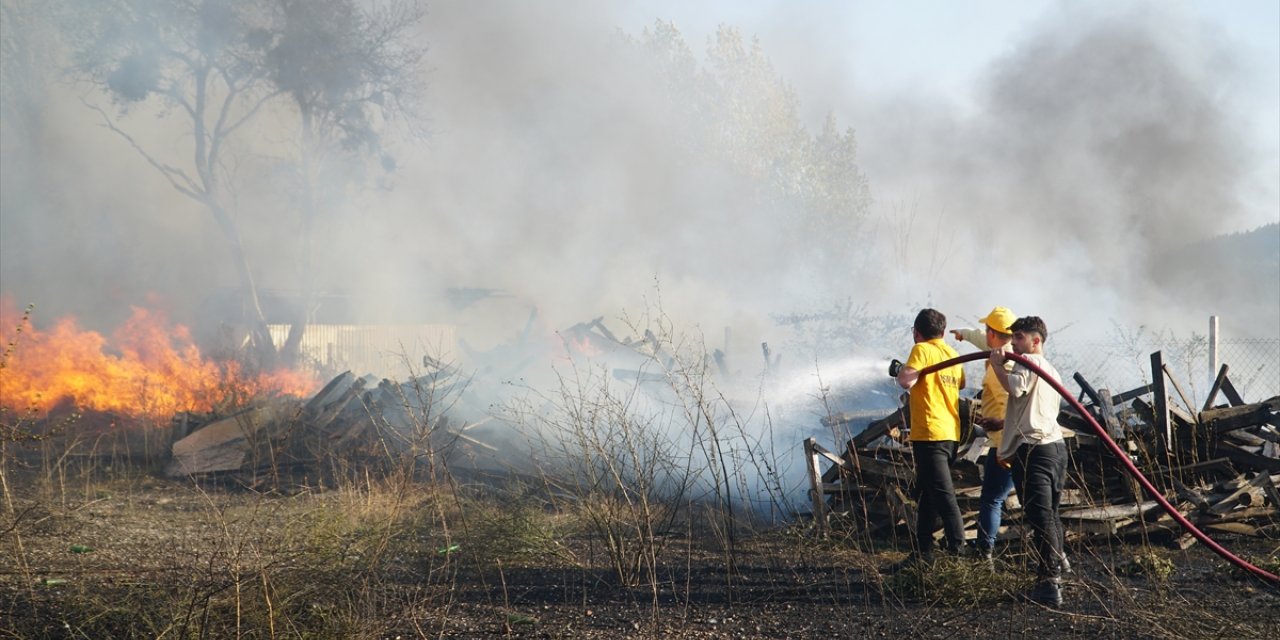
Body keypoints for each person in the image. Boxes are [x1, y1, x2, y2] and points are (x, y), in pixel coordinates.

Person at [990, 316, 1068, 606]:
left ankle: (1049, 585)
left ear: (1036, 341)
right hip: (1056, 449)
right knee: (1050, 513)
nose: (1013, 343)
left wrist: (997, 365)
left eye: (1019, 337)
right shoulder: (1051, 370)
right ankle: (1057, 570)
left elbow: (1015, 388)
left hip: (1035, 449)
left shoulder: (1027, 362)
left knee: (1040, 516)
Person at [890, 308, 967, 567]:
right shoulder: (952, 354)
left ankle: (959, 557)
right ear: (943, 332)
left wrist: (902, 368)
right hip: (949, 434)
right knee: (925, 496)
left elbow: (905, 382)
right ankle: (922, 554)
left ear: (916, 332)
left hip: (930, 434)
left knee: (944, 495)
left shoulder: (921, 350)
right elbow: (962, 383)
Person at [950, 306, 1018, 565]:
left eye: (987, 330)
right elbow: (984, 339)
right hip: (1007, 442)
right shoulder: (1004, 350)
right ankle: (1058, 556)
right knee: (1035, 502)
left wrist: (998, 423)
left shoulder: (1007, 366)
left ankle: (984, 555)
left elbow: (1016, 405)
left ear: (994, 333)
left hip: (1005, 445)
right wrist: (964, 334)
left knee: (991, 499)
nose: (985, 334)